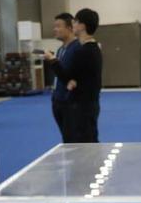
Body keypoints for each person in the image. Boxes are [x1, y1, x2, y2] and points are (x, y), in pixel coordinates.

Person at [44, 8, 103, 143]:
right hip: (82, 105)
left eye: (75, 22)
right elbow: (73, 77)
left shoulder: (84, 50)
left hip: (82, 107)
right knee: (80, 141)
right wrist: (71, 81)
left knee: (82, 143)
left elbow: (68, 76)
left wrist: (53, 61)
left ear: (82, 26)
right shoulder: (89, 49)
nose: (73, 25)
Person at [46, 13, 80, 142]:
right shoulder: (61, 49)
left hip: (70, 102)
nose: (55, 29)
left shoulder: (77, 48)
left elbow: (71, 76)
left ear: (70, 28)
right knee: (66, 138)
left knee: (72, 139)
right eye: (54, 26)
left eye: (58, 26)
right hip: (57, 99)